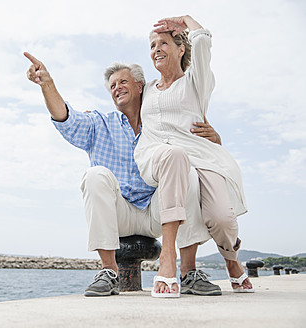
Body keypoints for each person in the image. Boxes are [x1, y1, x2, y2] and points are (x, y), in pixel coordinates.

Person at [24, 51, 222, 298]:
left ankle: (189, 271)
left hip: (158, 212)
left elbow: (196, 144)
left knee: (188, 173)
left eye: (123, 82)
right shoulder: (99, 124)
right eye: (112, 86)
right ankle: (108, 271)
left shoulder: (162, 122)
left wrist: (215, 139)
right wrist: (48, 85)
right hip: (120, 213)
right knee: (95, 175)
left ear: (140, 86)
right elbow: (66, 118)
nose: (117, 88)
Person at [133, 15, 253, 297]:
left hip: (201, 156)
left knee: (222, 218)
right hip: (159, 157)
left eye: (163, 43)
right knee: (178, 166)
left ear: (181, 49)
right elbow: (122, 97)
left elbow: (203, 43)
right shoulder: (147, 89)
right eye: (152, 45)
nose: (156, 49)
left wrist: (186, 21)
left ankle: (231, 260)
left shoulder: (195, 84)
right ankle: (171, 263)